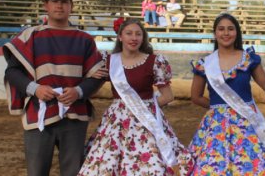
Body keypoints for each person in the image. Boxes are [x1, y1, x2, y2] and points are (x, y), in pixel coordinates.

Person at [3, 0, 104, 176]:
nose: (60, 6)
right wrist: (35, 88)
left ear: (71, 6)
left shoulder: (84, 39)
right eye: (55, 1)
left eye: (65, 1)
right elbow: (12, 72)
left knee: (73, 171)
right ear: (45, 5)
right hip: (38, 114)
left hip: (74, 115)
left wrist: (79, 91)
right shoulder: (29, 36)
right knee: (37, 171)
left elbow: (98, 76)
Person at [79, 19, 194, 175]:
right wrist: (91, 75)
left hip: (147, 121)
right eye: (129, 33)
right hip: (116, 123)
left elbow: (168, 96)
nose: (134, 38)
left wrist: (145, 108)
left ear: (143, 38)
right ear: (120, 37)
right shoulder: (108, 61)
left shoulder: (155, 61)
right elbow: (92, 90)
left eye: (138, 34)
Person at [188, 13, 265, 175]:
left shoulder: (249, 58)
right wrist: (219, 108)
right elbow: (196, 97)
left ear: (237, 33)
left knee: (256, 165)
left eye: (230, 29)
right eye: (221, 29)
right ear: (215, 33)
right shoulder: (204, 64)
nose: (226, 33)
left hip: (249, 120)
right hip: (217, 124)